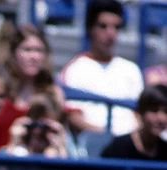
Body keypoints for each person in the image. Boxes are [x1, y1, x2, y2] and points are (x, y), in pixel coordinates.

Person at [59, 0, 143, 136]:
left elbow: (139, 117)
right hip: (89, 148)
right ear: (90, 29)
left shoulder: (132, 70)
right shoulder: (76, 68)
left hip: (128, 148)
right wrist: (107, 138)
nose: (110, 33)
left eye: (116, 27)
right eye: (103, 26)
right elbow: (73, 117)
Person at [0, 23, 68, 151]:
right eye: (27, 50)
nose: (34, 57)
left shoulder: (54, 94)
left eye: (39, 50)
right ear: (13, 53)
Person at [100, 84, 167, 160]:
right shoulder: (118, 147)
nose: (161, 118)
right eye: (154, 110)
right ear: (140, 113)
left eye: (166, 112)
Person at [5, 92, 69, 157]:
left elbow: (66, 162)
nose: (37, 130)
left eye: (43, 125)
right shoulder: (22, 130)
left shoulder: (55, 131)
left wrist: (60, 147)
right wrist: (13, 142)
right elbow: (5, 161)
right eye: (34, 123)